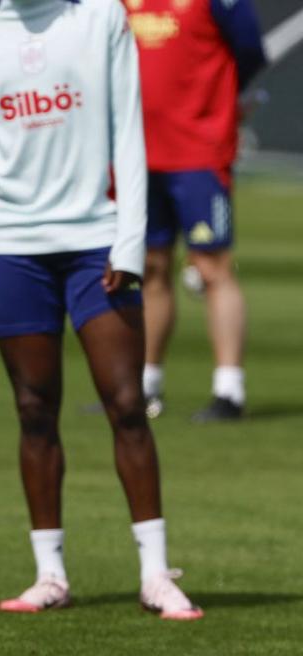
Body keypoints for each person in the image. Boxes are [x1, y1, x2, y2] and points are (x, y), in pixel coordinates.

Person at [0, 0, 202, 619]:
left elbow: (128, 128)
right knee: (34, 409)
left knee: (127, 403)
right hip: (13, 246)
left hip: (97, 241)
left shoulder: (100, 15)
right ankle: (50, 573)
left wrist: (130, 241)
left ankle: (156, 574)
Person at [125, 0, 266, 422]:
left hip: (198, 151)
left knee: (212, 267)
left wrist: (217, 99)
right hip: (136, 150)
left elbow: (251, 51)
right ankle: (144, 386)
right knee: (149, 266)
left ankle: (229, 389)